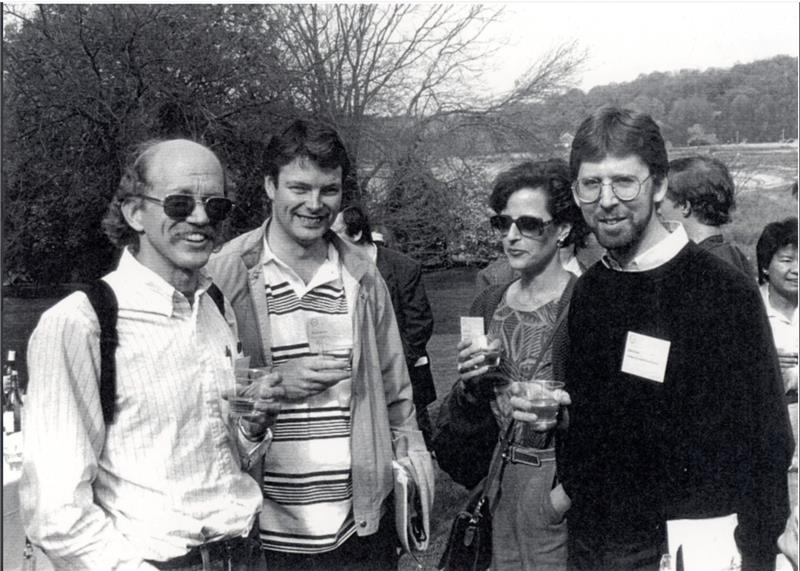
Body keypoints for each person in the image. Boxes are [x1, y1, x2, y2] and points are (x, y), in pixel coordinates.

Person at [21, 139, 283, 570]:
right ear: (134, 212)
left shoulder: (215, 306)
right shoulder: (82, 323)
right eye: (179, 204)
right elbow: (55, 511)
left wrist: (252, 429)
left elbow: (219, 456)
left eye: (214, 206)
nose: (200, 218)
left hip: (245, 553)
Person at [552, 106, 793, 570]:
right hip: (598, 544)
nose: (606, 200)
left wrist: (758, 555)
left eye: (624, 181)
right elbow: (592, 423)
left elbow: (766, 442)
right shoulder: (591, 291)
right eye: (590, 184)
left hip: (693, 547)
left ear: (659, 185)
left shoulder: (721, 290)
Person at [206, 120, 433, 571]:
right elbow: (200, 399)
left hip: (358, 530)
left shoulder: (363, 278)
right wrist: (271, 382)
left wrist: (410, 486)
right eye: (299, 187)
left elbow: (397, 396)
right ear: (270, 186)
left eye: (329, 190)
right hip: (263, 534)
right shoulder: (224, 275)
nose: (315, 204)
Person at [438, 159, 587, 570]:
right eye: (503, 224)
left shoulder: (587, 302)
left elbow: (615, 415)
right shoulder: (489, 303)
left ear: (563, 229)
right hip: (501, 478)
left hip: (559, 483)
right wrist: (470, 387)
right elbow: (466, 420)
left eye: (529, 224)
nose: (511, 237)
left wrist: (561, 495)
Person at [332, 204, 437, 447]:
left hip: (405, 379)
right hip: (354, 385)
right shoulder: (332, 270)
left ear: (357, 234)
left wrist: (389, 367)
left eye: (335, 233)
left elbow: (419, 325)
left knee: (413, 449)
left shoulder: (404, 267)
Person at [756, 218, 799, 515]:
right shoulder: (750, 312)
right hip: (768, 433)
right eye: (786, 260)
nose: (796, 269)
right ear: (765, 266)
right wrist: (764, 361)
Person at [658, 155, 752, 275]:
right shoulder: (733, 256)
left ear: (684, 206)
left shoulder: (704, 265)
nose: (658, 211)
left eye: (660, 203)